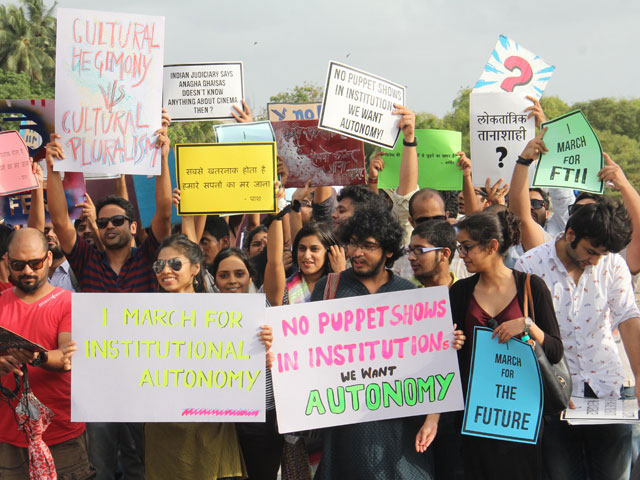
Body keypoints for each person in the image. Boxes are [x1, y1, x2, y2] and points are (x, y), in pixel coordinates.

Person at [44, 112, 172, 479]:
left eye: (117, 221)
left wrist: (162, 158)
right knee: (98, 461)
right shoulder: (86, 261)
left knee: (141, 461)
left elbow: (163, 212)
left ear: (133, 226)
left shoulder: (150, 258)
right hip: (97, 381)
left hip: (143, 378)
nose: (110, 226)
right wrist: (54, 170)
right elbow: (59, 219)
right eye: (103, 222)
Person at [515, 196, 640, 479]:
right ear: (570, 234)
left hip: (608, 389)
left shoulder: (613, 265)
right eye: (591, 251)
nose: (595, 260)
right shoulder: (530, 265)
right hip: (555, 395)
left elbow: (628, 317)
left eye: (602, 254)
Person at [309, 206, 433, 480]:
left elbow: (429, 362)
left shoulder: (409, 294)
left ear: (389, 251)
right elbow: (306, 349)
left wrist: (447, 343)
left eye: (368, 246)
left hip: (398, 429)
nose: (356, 253)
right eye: (353, 243)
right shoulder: (329, 288)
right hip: (343, 426)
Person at [445, 210, 563, 480]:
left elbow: (555, 351)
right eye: (458, 247)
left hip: (520, 415)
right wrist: (453, 343)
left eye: (466, 247)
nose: (460, 254)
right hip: (476, 415)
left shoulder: (531, 287)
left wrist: (528, 325)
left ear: (492, 247)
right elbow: (450, 352)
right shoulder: (461, 291)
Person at [145, 234, 246, 480]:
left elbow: (239, 362)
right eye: (159, 265)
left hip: (210, 428)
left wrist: (260, 345)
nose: (166, 270)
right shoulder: (142, 316)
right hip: (163, 432)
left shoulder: (221, 313)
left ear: (196, 268)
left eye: (175, 264)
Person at [0, 228, 92, 478]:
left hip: (61, 435)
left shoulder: (68, 302)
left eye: (35, 263)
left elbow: (66, 357)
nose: (27, 271)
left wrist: (36, 357)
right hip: (8, 438)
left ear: (49, 259)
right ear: (8, 262)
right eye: (18, 264)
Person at [210, 248, 278, 480]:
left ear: (250, 277)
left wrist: (274, 352)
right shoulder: (202, 316)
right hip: (221, 420)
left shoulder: (266, 310)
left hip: (263, 417)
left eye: (239, 274)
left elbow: (291, 357)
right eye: (224, 275)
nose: (232, 281)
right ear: (214, 279)